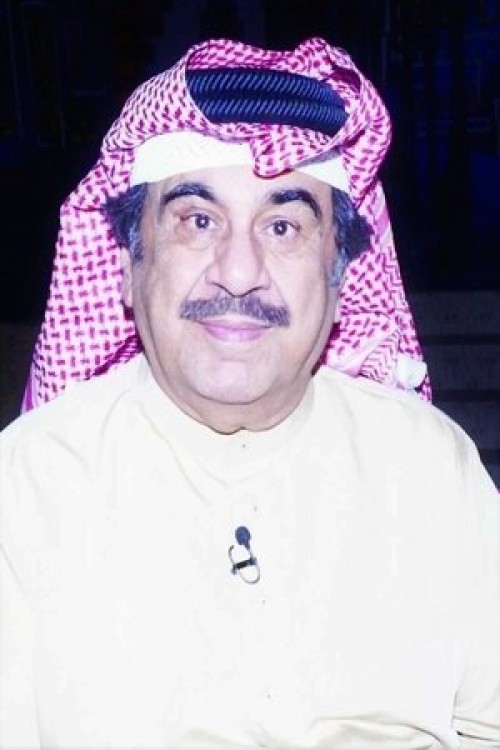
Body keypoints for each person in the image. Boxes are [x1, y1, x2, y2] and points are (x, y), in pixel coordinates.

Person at [0, 36, 498, 749]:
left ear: (337, 276)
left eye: (284, 226)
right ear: (128, 268)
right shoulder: (27, 485)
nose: (239, 272)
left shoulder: (428, 465)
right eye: (198, 222)